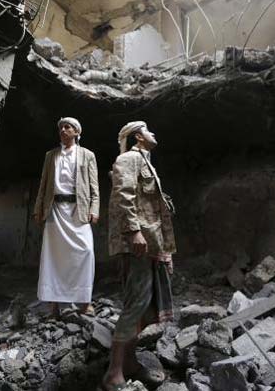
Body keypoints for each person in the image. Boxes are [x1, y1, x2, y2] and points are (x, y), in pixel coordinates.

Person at [101, 121, 176, 390]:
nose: (154, 134)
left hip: (150, 243)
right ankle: (114, 372)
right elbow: (124, 194)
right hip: (138, 244)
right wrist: (134, 231)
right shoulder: (129, 158)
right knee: (136, 303)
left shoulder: (146, 161)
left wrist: (161, 245)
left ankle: (129, 363)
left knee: (143, 304)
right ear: (138, 136)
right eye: (149, 131)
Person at [33, 117, 100, 317]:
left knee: (86, 252)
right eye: (61, 127)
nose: (63, 129)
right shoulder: (50, 156)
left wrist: (94, 208)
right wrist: (38, 209)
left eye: (68, 127)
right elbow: (43, 184)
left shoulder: (87, 155)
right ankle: (53, 305)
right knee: (52, 257)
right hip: (54, 210)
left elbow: (94, 187)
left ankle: (83, 302)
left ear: (77, 132)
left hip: (77, 210)